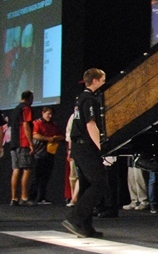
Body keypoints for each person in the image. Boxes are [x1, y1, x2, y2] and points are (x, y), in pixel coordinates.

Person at [62, 68, 108, 238]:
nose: (104, 83)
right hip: (85, 146)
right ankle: (75, 218)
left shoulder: (80, 98)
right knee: (99, 183)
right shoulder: (89, 99)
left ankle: (85, 226)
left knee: (87, 184)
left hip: (78, 146)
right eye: (103, 80)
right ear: (95, 81)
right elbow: (91, 125)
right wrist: (102, 148)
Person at [30, 106, 63, 204]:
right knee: (37, 176)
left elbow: (62, 136)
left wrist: (56, 138)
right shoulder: (37, 123)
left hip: (50, 152)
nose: (50, 116)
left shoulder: (53, 124)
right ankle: (32, 197)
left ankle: (41, 198)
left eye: (51, 114)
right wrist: (48, 139)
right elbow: (35, 135)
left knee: (46, 176)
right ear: (43, 113)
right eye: (48, 114)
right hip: (39, 152)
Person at [9, 90, 35, 206]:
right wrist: (30, 143)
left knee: (16, 169)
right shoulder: (26, 108)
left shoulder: (15, 110)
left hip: (13, 143)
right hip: (23, 143)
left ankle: (14, 198)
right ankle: (24, 197)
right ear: (29, 98)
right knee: (27, 168)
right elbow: (26, 125)